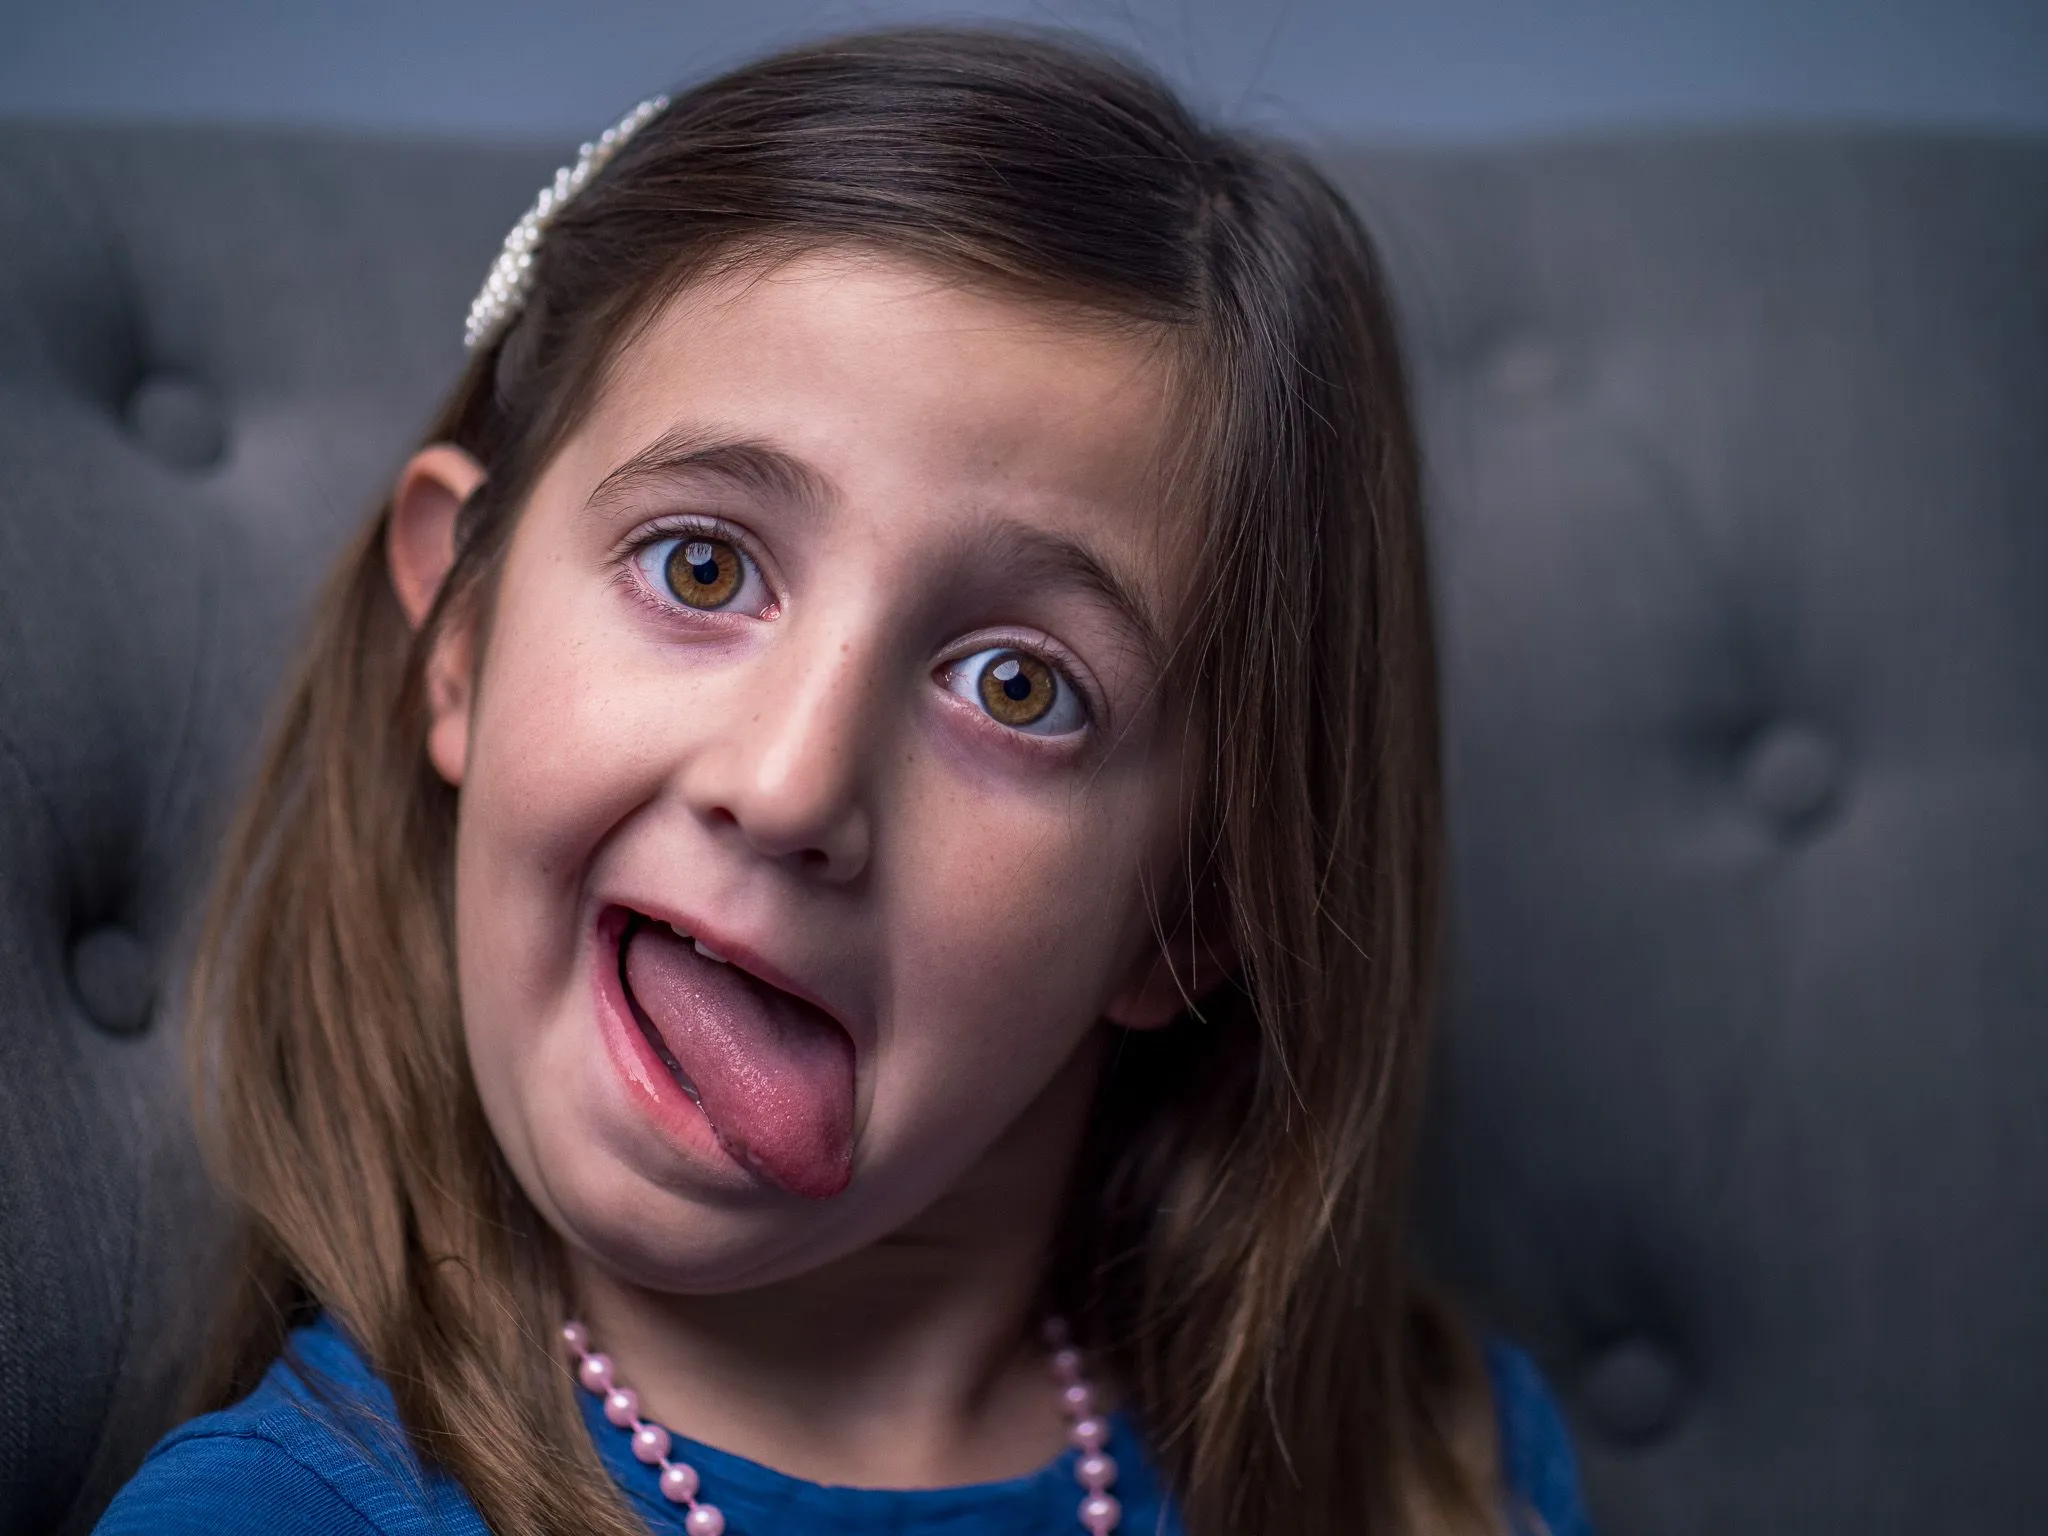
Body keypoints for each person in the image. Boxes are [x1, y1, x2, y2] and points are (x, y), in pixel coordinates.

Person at [95, 26, 1591, 1536]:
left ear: (1187, 911)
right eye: (703, 565)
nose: (794, 783)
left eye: (1019, 688)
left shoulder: (1441, 1473)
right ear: (463, 637)